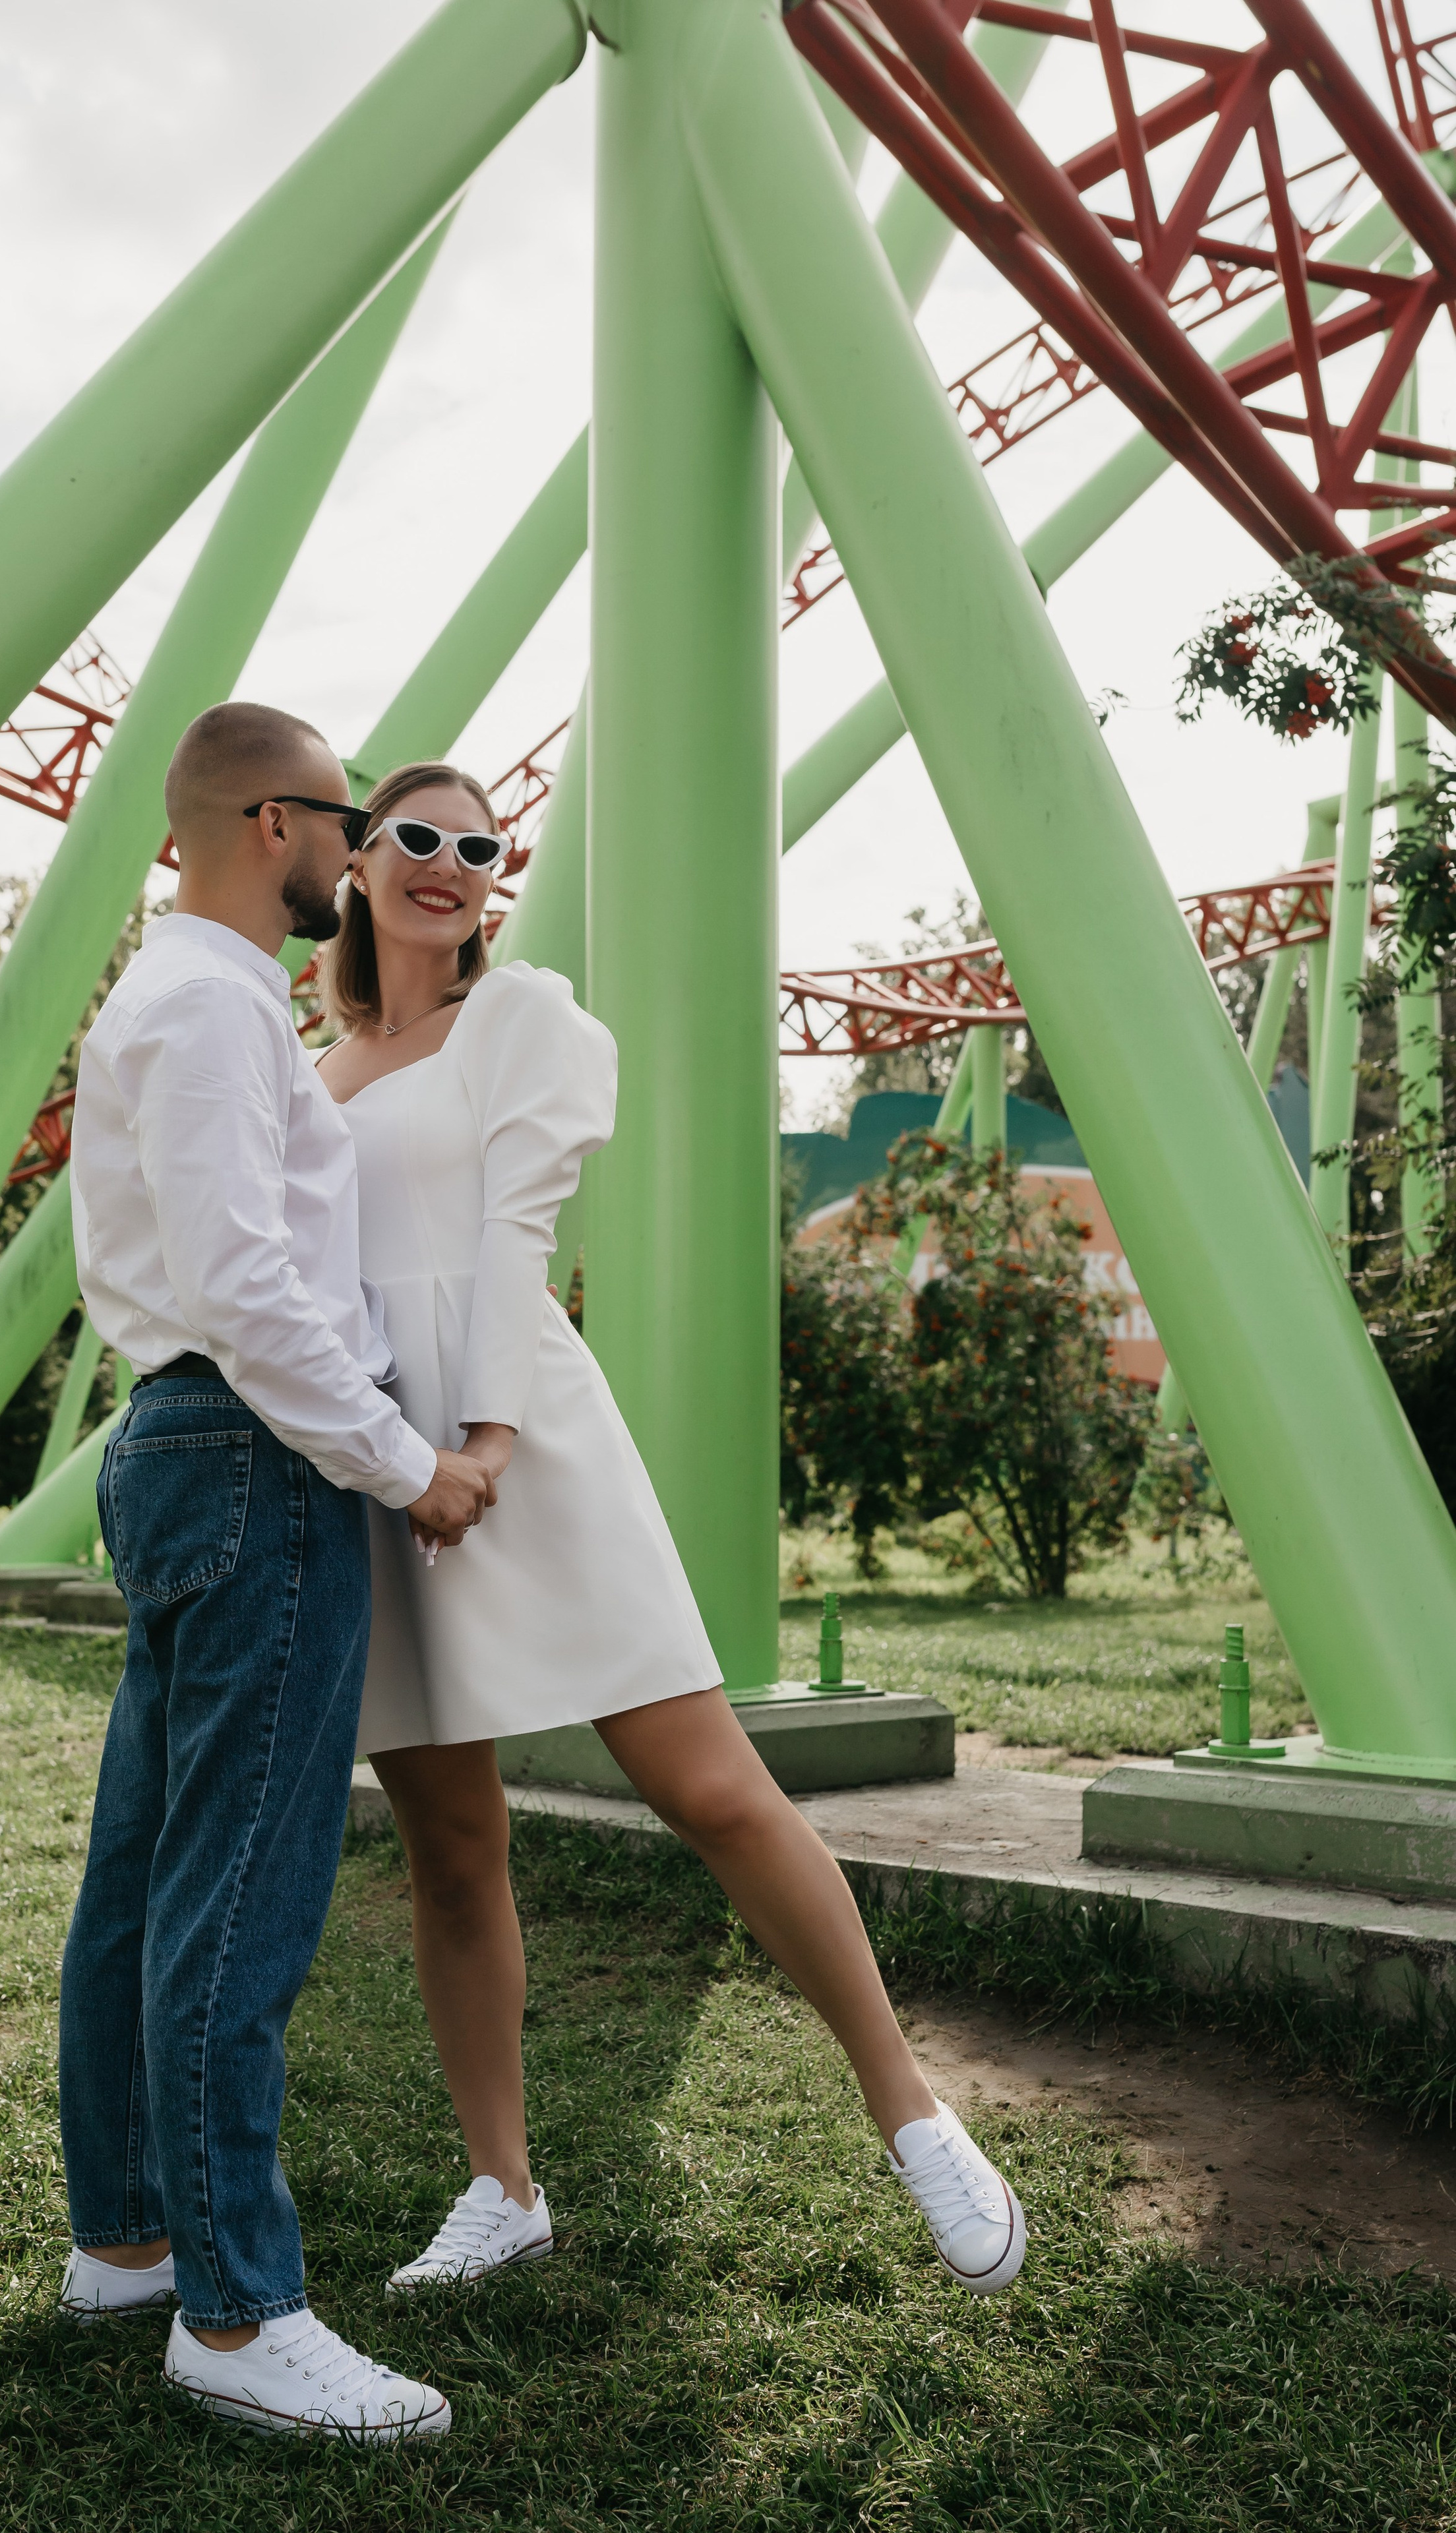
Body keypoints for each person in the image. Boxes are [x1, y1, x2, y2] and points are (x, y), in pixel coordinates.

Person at [315, 760, 1027, 2308]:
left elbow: (514, 1233)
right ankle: (499, 2185)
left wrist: (488, 1433)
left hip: (522, 1438)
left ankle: (908, 2109)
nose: (449, 862)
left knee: (710, 1784)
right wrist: (386, 1452)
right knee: (448, 1843)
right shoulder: (314, 1070)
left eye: (478, 844)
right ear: (361, 861)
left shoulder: (522, 1019)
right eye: (416, 837)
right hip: (377, 1451)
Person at [57, 702, 495, 2445]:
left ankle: (131, 2240)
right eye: (341, 817)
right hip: (255, 1457)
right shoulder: (218, 1012)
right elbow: (253, 1291)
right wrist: (410, 1465)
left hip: (184, 1449)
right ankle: (238, 2317)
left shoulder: (170, 1005)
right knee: (240, 1892)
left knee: (147, 1875)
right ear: (271, 825)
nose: (360, 847)